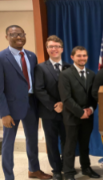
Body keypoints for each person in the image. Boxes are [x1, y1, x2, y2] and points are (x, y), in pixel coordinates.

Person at [0, 25, 52, 180]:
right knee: (8, 144)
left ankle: (34, 170)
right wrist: (4, 113)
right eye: (14, 34)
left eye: (22, 34)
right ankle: (9, 176)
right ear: (6, 37)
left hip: (31, 104)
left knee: (33, 139)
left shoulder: (31, 56)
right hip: (11, 107)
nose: (19, 37)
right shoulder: (2, 57)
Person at [58, 46, 99, 180]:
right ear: (72, 57)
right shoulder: (65, 74)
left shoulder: (92, 74)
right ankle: (69, 172)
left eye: (84, 55)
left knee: (85, 144)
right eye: (79, 56)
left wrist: (91, 109)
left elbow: (94, 96)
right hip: (72, 116)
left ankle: (86, 168)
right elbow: (66, 98)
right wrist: (80, 112)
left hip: (88, 116)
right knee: (70, 145)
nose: (82, 58)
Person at [34, 35, 70, 180]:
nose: (54, 49)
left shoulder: (69, 66)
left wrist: (63, 104)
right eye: (50, 46)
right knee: (51, 141)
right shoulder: (40, 68)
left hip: (67, 111)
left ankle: (68, 168)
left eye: (56, 46)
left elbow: (73, 89)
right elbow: (39, 89)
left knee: (67, 141)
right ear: (47, 49)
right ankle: (56, 169)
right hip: (49, 112)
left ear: (61, 48)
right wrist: (54, 106)